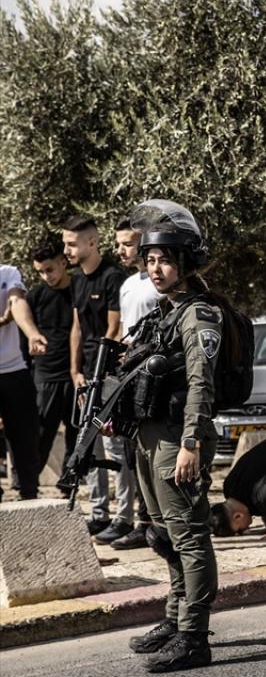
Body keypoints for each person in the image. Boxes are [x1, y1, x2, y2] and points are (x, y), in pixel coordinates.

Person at [121, 200, 222, 671]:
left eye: (164, 260)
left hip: (177, 438)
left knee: (189, 538)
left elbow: (202, 384)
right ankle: (176, 618)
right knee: (162, 534)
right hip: (149, 436)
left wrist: (191, 444)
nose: (155, 269)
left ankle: (194, 637)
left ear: (184, 262)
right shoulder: (165, 312)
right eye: (150, 260)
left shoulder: (198, 314)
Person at [64, 215, 130, 537]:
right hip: (86, 375)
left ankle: (124, 517)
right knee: (88, 446)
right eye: (65, 244)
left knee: (116, 448)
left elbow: (114, 329)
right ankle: (99, 513)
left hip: (109, 375)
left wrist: (102, 377)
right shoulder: (77, 279)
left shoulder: (113, 277)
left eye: (72, 244)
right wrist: (75, 370)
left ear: (92, 242)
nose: (67, 250)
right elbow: (77, 328)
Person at [112, 216, 162, 550]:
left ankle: (156, 522)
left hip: (154, 376)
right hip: (129, 377)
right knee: (132, 452)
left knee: (152, 450)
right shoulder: (128, 284)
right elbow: (123, 331)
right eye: (118, 244)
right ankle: (142, 522)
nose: (121, 250)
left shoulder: (159, 283)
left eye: (127, 243)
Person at [27, 241, 76, 485]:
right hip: (46, 374)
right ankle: (27, 484)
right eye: (40, 272)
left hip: (76, 373)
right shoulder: (36, 296)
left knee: (76, 432)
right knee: (41, 432)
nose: (46, 276)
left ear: (63, 263)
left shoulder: (80, 289)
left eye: (49, 269)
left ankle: (69, 484)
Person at [0, 262, 47, 501]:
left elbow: (17, 301)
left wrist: (32, 333)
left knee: (26, 438)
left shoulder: (8, 272)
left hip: (14, 370)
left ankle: (29, 497)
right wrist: (2, 320)